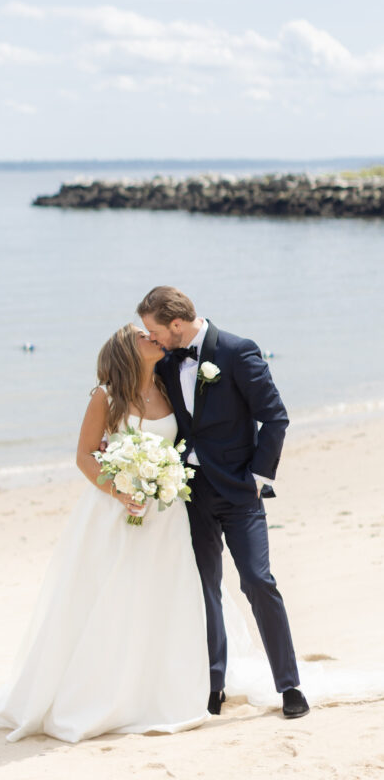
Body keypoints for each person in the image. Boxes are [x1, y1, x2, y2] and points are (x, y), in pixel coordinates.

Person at [0, 324, 210, 742]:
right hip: (115, 513)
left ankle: (157, 688)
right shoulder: (105, 397)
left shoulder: (166, 385)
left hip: (165, 513)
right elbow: (85, 456)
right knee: (113, 597)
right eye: (144, 335)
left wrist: (164, 482)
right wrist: (121, 491)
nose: (154, 338)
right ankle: (104, 694)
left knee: (162, 597)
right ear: (127, 348)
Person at [137, 285, 310, 720]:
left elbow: (275, 416)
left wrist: (257, 477)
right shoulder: (167, 359)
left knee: (257, 580)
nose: (153, 339)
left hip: (238, 492)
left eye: (155, 331)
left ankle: (289, 685)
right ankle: (214, 686)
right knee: (203, 589)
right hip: (189, 493)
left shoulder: (236, 350)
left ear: (176, 325)